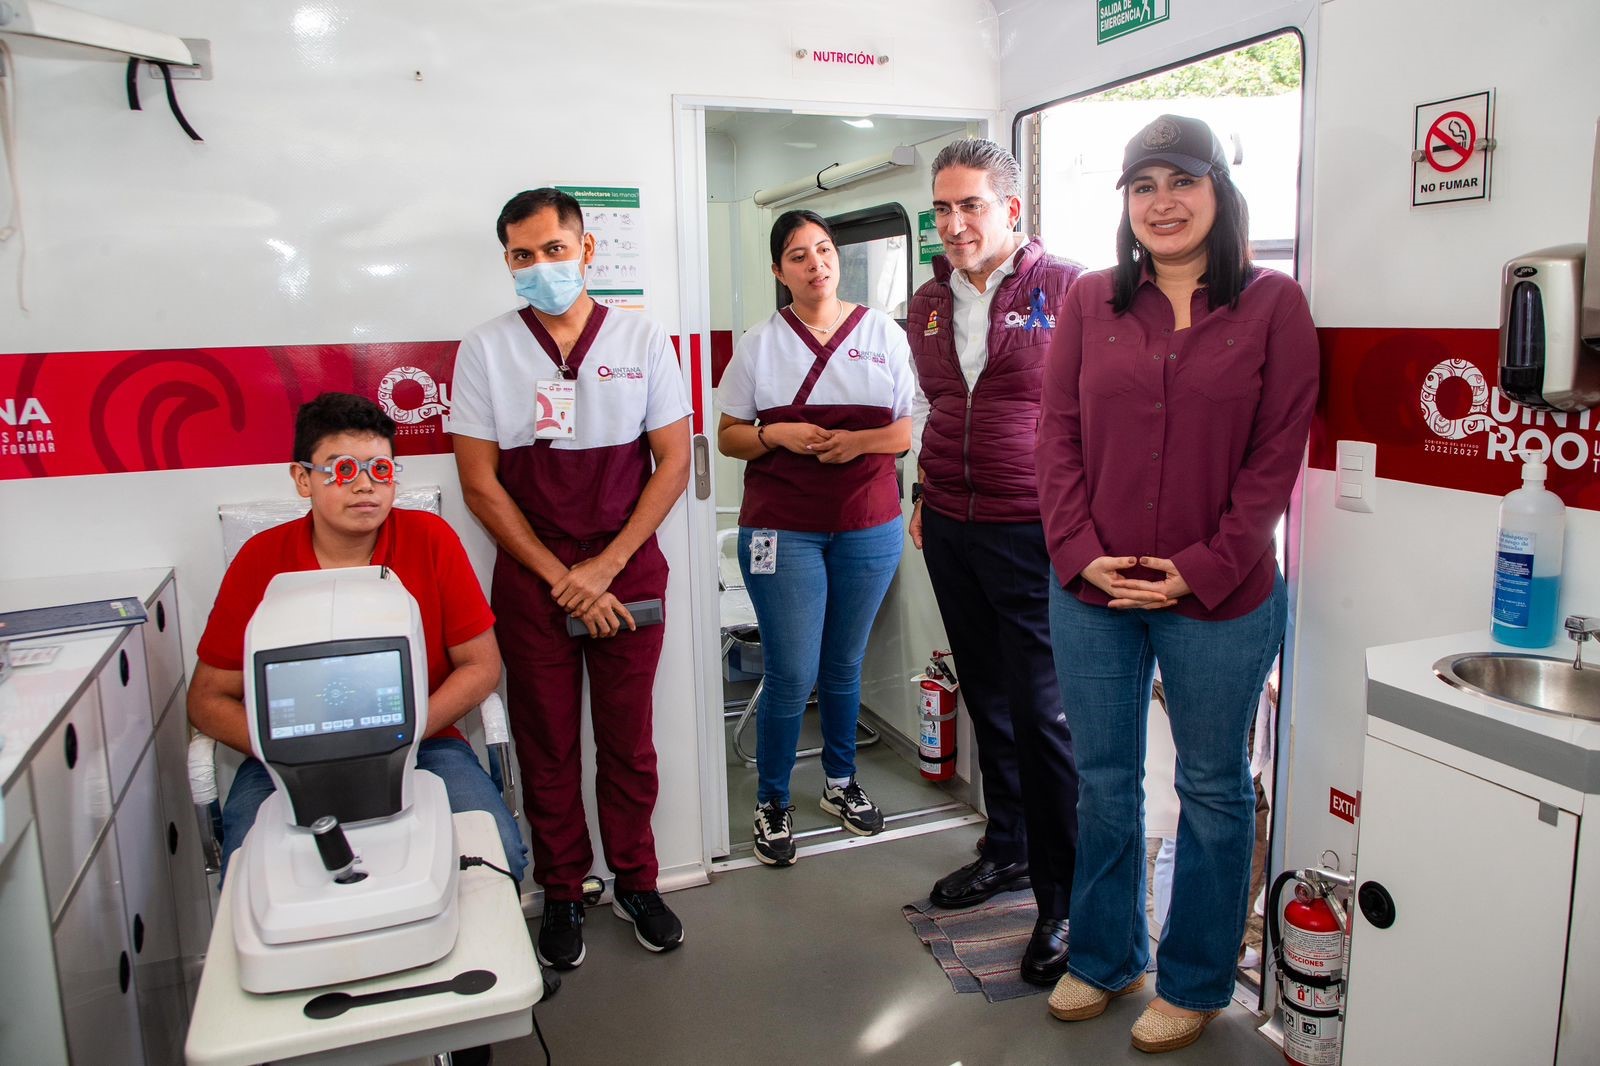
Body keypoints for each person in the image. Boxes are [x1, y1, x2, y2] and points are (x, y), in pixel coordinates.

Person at [1035, 114, 1317, 1054]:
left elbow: (1276, 461)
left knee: (1212, 784)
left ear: (1219, 195)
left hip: (1223, 600)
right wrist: (1078, 551)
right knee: (1105, 781)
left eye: (1181, 182)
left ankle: (1195, 978)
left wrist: (1198, 570)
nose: (1162, 202)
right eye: (1143, 185)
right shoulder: (1088, 301)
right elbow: (1057, 438)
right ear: (1125, 203)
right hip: (1095, 594)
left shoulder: (1274, 306)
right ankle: (1107, 955)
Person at [450, 188, 692, 969]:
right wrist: (564, 576)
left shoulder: (644, 339)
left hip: (625, 567)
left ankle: (637, 880)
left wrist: (607, 566)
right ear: (508, 264)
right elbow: (480, 483)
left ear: (587, 252)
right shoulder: (487, 348)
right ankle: (561, 891)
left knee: (629, 741)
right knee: (545, 741)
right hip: (534, 576)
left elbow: (674, 461)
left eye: (554, 250)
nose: (540, 267)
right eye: (523, 256)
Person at [189, 392, 527, 888]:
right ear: (302, 478)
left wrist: (404, 736)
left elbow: (481, 667)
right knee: (257, 884)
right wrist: (288, 752)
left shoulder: (430, 541)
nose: (365, 486)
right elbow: (206, 699)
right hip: (286, 763)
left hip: (422, 747)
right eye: (342, 470)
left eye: (381, 470)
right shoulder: (260, 561)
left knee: (495, 859)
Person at [906, 137, 1085, 987]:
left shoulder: (1073, 288)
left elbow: (1097, 415)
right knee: (988, 697)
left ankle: (1063, 899)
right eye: (942, 207)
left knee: (1045, 715)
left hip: (1035, 527)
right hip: (949, 522)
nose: (954, 222)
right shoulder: (927, 302)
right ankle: (1006, 849)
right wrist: (919, 491)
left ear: (1013, 208)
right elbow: (940, 407)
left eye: (971, 204)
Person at [716, 209, 914, 867]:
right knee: (792, 668)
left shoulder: (882, 333)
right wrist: (777, 434)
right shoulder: (760, 345)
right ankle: (772, 799)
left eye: (824, 250)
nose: (816, 264)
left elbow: (906, 431)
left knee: (843, 663)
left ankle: (837, 783)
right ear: (779, 271)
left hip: (868, 525)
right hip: (783, 529)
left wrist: (857, 441)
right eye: (798, 255)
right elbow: (729, 435)